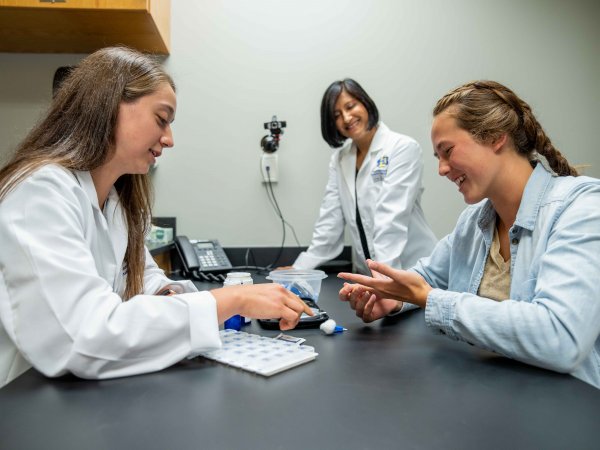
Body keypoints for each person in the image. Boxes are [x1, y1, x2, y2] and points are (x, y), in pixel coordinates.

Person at [0, 47, 311, 388]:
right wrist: (229, 300)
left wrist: (168, 297)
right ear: (109, 105)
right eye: (161, 119)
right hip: (24, 402)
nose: (170, 139)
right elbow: (82, 337)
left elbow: (143, 279)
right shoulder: (40, 193)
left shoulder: (115, 202)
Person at [338, 80, 600, 388]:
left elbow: (561, 337)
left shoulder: (582, 210)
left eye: (447, 151)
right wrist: (393, 299)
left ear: (495, 138)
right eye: (437, 157)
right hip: (492, 396)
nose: (442, 169)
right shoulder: (475, 222)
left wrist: (431, 300)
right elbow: (427, 277)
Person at [291, 78, 437, 275]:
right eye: (337, 115)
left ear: (365, 102)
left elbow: (391, 221)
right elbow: (329, 222)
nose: (346, 118)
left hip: (412, 271)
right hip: (370, 276)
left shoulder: (401, 148)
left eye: (350, 106)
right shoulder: (340, 160)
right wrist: (297, 269)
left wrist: (385, 280)